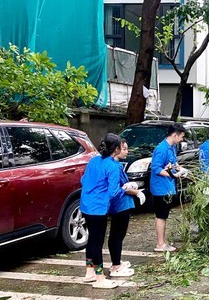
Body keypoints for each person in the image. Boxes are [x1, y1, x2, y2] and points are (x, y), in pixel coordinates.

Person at [80, 134, 139, 289]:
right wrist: (126, 189)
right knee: (97, 242)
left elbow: (83, 180)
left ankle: (89, 272)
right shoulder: (113, 166)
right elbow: (113, 192)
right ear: (117, 149)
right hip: (98, 207)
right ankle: (100, 277)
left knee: (91, 240)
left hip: (86, 204)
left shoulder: (93, 160)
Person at [108, 138, 145, 278]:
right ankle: (116, 265)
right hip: (121, 205)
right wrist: (135, 190)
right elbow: (120, 188)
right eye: (124, 149)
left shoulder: (115, 164)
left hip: (119, 204)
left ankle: (116, 261)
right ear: (116, 149)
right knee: (117, 235)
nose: (127, 152)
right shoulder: (114, 167)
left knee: (116, 235)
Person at [150, 122, 186, 252]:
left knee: (164, 215)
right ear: (175, 135)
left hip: (168, 187)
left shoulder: (172, 147)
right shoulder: (161, 149)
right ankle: (160, 244)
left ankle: (162, 242)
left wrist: (180, 170)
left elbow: (172, 164)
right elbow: (156, 169)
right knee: (161, 216)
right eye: (181, 136)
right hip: (160, 188)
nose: (182, 139)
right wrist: (173, 175)